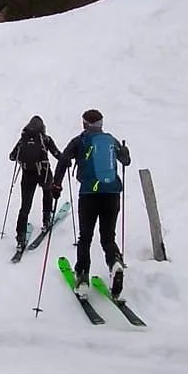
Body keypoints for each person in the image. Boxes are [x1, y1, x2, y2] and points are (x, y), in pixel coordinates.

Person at [52, 109, 131, 296]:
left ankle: (82, 278)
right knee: (108, 237)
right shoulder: (111, 140)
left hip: (89, 195)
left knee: (85, 238)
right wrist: (125, 151)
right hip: (112, 193)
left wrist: (56, 185)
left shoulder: (80, 141)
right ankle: (115, 262)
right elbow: (126, 161)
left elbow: (63, 160)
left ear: (85, 123)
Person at [9, 115, 61, 251]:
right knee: (47, 192)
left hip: (27, 175)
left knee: (25, 206)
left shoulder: (23, 139)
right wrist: (65, 160)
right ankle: (46, 219)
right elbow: (57, 154)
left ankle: (20, 237)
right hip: (43, 173)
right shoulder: (45, 139)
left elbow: (12, 156)